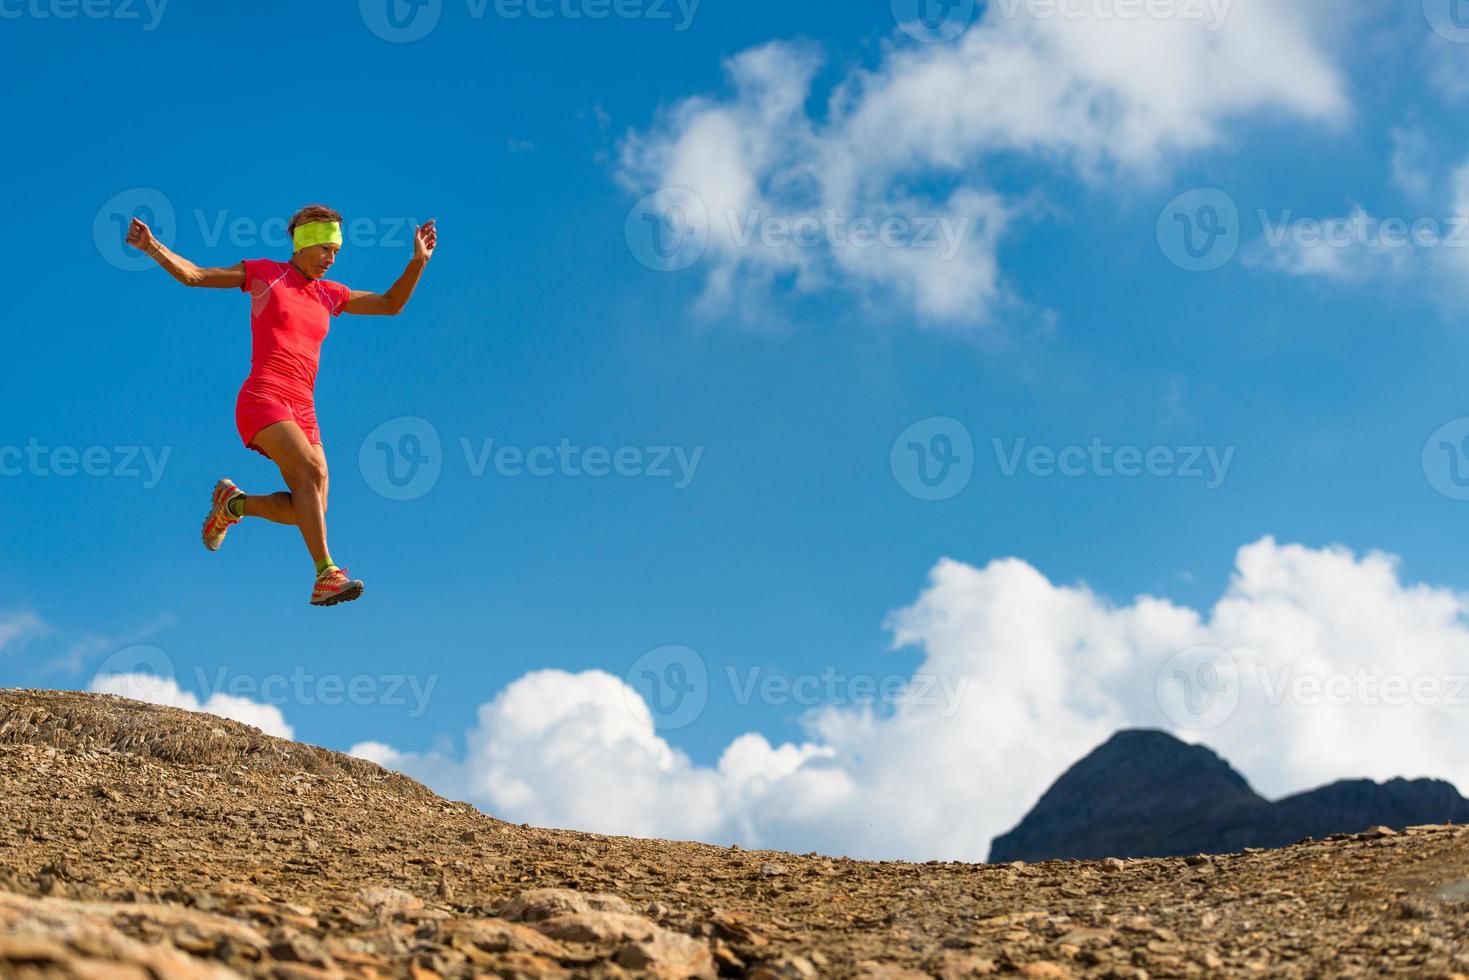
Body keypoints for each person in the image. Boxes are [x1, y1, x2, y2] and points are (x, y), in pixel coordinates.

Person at [125, 205, 437, 606]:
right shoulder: (265, 274)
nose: (331, 258)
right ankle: (326, 573)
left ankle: (232, 504)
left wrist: (418, 262)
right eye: (325, 249)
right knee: (308, 472)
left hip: (305, 407)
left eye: (336, 252)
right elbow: (196, 276)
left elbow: (391, 304)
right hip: (264, 396)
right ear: (303, 242)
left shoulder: (330, 293)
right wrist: (152, 246)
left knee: (310, 509)